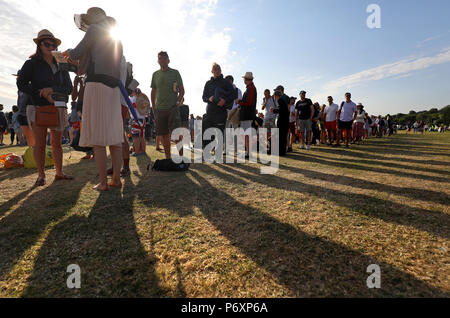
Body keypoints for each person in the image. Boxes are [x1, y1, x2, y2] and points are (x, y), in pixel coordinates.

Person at [65, 7, 124, 191]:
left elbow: (76, 53)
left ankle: (103, 183)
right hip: (113, 88)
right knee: (115, 136)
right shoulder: (116, 38)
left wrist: (67, 52)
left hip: (96, 85)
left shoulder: (94, 30)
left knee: (97, 137)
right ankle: (116, 178)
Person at [17, 29, 73, 186]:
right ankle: (41, 175)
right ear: (39, 46)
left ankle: (59, 173)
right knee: (40, 143)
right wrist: (40, 93)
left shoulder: (61, 63)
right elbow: (21, 84)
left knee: (57, 143)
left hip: (59, 106)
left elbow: (68, 88)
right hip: (37, 106)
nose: (51, 46)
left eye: (53, 44)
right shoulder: (31, 63)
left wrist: (52, 90)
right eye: (47, 43)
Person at [151, 51, 185, 160]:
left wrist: (178, 101)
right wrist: (153, 106)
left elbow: (182, 90)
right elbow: (153, 91)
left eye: (164, 58)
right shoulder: (155, 74)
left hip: (172, 108)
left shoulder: (175, 73)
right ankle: (168, 159)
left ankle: (181, 158)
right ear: (158, 60)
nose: (162, 60)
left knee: (176, 135)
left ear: (168, 60)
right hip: (159, 109)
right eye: (160, 58)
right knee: (164, 135)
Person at [202, 63, 237, 151]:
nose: (217, 70)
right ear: (212, 71)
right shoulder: (208, 83)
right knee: (207, 132)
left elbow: (234, 94)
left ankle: (218, 155)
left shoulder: (225, 82)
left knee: (219, 134)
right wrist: (209, 99)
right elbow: (203, 97)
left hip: (221, 112)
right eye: (215, 69)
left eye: (218, 69)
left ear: (221, 70)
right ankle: (207, 151)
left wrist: (225, 101)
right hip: (210, 111)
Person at [272, 91, 289, 156]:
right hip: (285, 121)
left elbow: (281, 110)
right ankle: (282, 151)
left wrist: (273, 110)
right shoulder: (283, 100)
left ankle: (281, 152)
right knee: (283, 137)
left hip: (282, 122)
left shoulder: (279, 100)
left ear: (275, 96)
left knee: (281, 137)